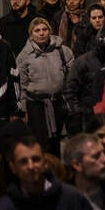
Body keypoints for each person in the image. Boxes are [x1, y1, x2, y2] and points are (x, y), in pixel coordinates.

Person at [16, 17, 73, 152]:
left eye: (44, 29)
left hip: (58, 103)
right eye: (37, 30)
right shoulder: (24, 56)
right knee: (40, 144)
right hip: (36, 106)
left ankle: (56, 165)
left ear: (50, 31)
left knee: (58, 143)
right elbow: (22, 85)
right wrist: (24, 110)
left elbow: (71, 76)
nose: (41, 33)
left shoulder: (62, 50)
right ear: (31, 34)